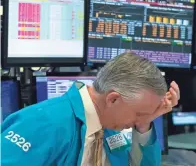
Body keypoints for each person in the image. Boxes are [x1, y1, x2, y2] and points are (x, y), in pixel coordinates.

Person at [1, 52, 180, 166]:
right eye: (138, 114)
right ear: (113, 99)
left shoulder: (110, 123)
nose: (134, 122)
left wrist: (144, 122)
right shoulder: (41, 123)